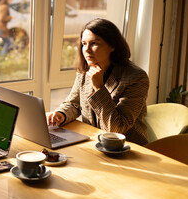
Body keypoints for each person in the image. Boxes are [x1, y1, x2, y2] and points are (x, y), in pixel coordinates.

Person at [47, 18, 150, 146]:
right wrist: (61, 113)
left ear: (112, 45)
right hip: (94, 142)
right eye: (84, 43)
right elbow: (74, 103)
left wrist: (99, 88)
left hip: (127, 148)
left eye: (94, 43)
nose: (87, 50)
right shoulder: (85, 70)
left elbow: (117, 128)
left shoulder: (136, 77)